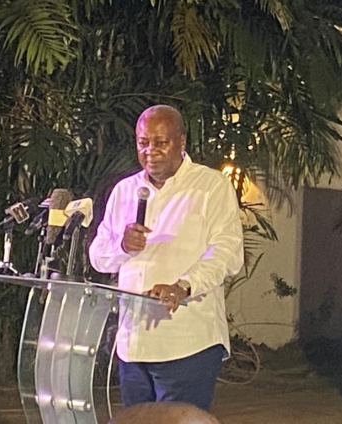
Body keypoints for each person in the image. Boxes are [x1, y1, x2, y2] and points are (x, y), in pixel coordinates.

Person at [89, 104, 244, 411]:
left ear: (181, 142)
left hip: (187, 341)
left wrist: (183, 286)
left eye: (161, 142)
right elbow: (98, 256)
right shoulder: (124, 190)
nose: (151, 151)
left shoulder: (210, 187)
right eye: (143, 143)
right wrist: (122, 246)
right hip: (133, 345)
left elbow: (227, 253)